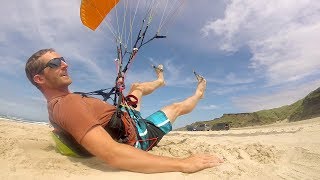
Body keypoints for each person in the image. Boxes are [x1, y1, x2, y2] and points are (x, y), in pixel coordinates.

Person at [25, 48, 223, 173]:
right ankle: (199, 94)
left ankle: (160, 81)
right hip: (137, 133)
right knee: (175, 108)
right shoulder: (66, 105)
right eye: (55, 63)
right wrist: (183, 164)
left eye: (63, 59)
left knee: (137, 87)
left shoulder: (61, 103)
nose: (65, 64)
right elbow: (112, 154)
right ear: (39, 79)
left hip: (125, 115)